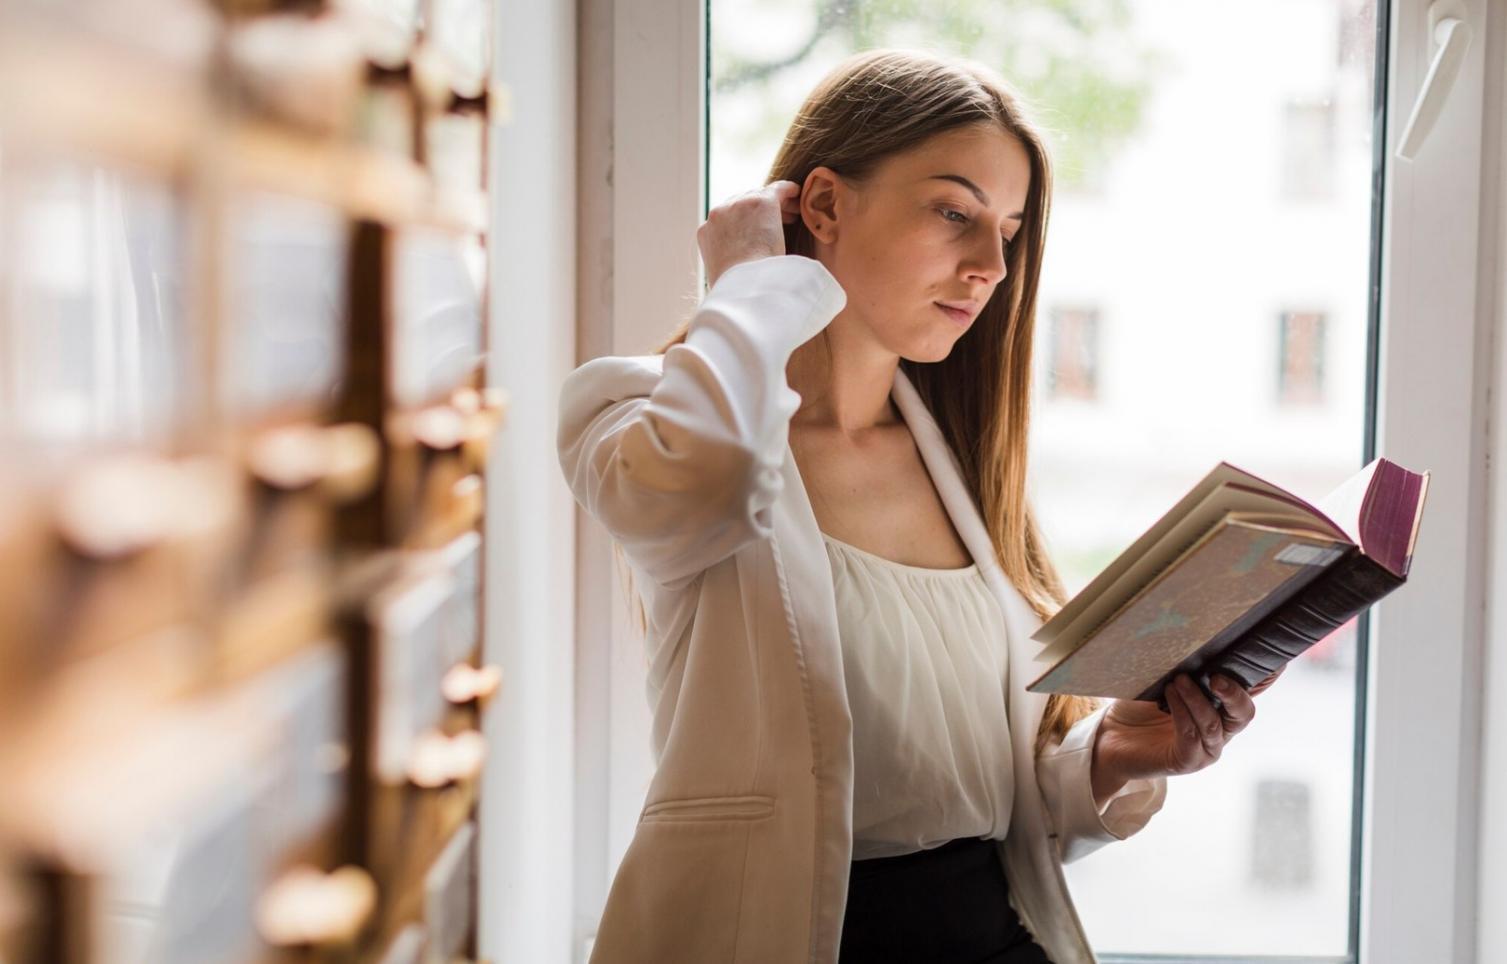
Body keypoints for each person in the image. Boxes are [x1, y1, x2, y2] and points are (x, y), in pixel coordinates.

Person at [557, 47, 1281, 964]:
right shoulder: (637, 412)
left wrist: (1117, 758)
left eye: (1008, 233)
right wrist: (745, 288)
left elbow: (978, 811)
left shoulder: (964, 470)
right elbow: (698, 484)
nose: (990, 267)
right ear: (822, 205)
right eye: (953, 213)